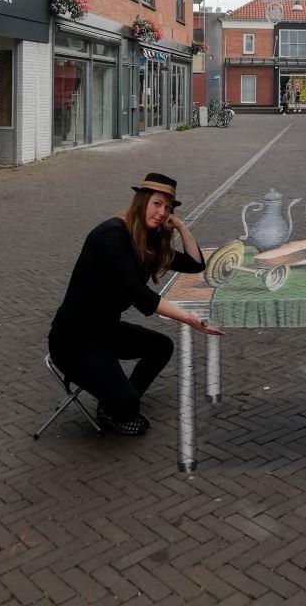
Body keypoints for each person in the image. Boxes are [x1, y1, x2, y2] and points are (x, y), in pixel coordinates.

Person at [48, 172, 224, 436]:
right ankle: (118, 401)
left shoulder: (147, 240)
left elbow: (195, 263)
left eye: (167, 208)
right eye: (157, 204)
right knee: (128, 403)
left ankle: (114, 400)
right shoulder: (111, 235)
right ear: (141, 201)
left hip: (105, 331)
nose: (162, 212)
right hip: (74, 340)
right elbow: (137, 293)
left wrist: (180, 226)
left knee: (161, 346)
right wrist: (188, 318)